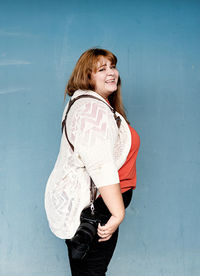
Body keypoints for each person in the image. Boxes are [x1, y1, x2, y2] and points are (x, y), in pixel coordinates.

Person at [44, 48, 140, 275]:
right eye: (102, 69)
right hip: (98, 208)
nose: (111, 73)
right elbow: (99, 164)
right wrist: (117, 213)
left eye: (113, 67)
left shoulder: (94, 105)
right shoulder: (90, 109)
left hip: (97, 206)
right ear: (87, 76)